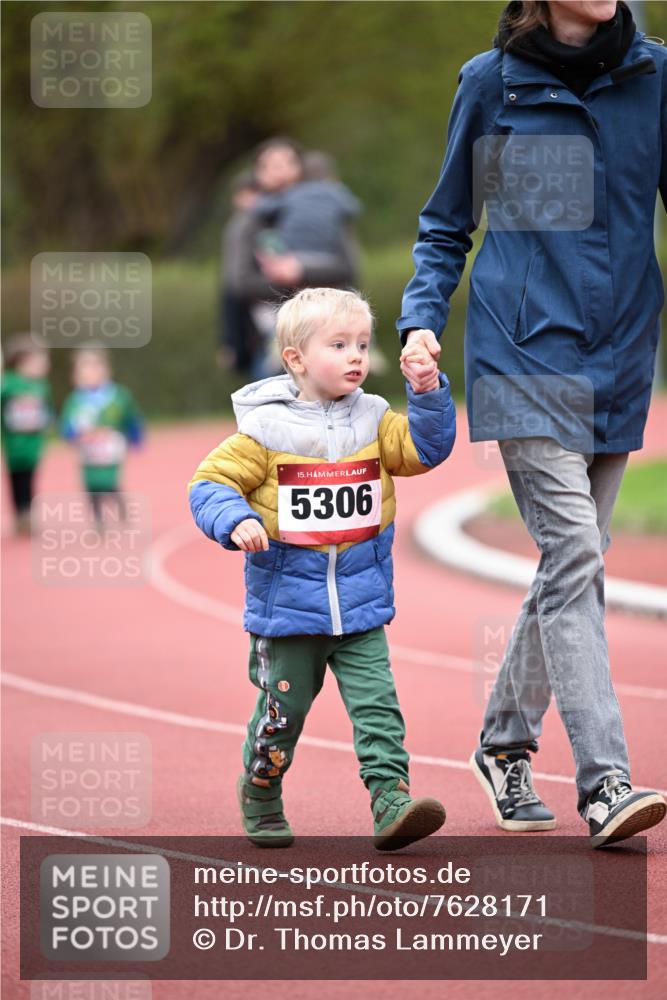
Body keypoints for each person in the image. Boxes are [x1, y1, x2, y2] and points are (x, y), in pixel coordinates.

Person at [397, 0, 667, 848]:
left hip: (621, 352)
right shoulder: (490, 86)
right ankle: (604, 783)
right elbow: (446, 223)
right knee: (577, 552)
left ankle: (503, 742)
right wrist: (418, 320)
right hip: (521, 351)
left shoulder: (655, 77)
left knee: (570, 558)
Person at [188, 286, 455, 850]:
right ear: (296, 358)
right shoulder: (263, 430)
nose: (357, 355)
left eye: (362, 343)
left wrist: (427, 390)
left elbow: (425, 451)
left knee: (379, 710)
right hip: (288, 616)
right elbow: (209, 484)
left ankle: (391, 801)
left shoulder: (376, 419)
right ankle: (261, 790)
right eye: (339, 344)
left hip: (361, 609)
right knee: (281, 718)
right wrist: (233, 519)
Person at [230, 138, 361, 381]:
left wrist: (302, 270)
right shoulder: (249, 222)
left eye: (288, 162)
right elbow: (239, 282)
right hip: (271, 333)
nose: (279, 170)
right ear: (258, 173)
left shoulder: (324, 212)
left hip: (327, 330)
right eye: (269, 164)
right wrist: (291, 288)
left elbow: (348, 267)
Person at [60, 346, 144, 526]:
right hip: (87, 452)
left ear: (106, 370)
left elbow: (131, 417)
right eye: (85, 368)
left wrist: (136, 437)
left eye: (95, 367)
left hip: (110, 450)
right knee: (91, 484)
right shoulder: (75, 400)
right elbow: (67, 425)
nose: (91, 373)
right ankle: (98, 519)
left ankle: (118, 500)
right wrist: (73, 435)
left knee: (108, 479)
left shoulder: (118, 396)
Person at [1, 335, 51, 535]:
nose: (44, 366)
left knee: (30, 479)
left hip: (33, 444)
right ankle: (20, 515)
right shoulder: (8, 384)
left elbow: (46, 410)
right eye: (39, 361)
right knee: (16, 479)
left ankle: (28, 515)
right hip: (14, 444)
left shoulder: (41, 386)